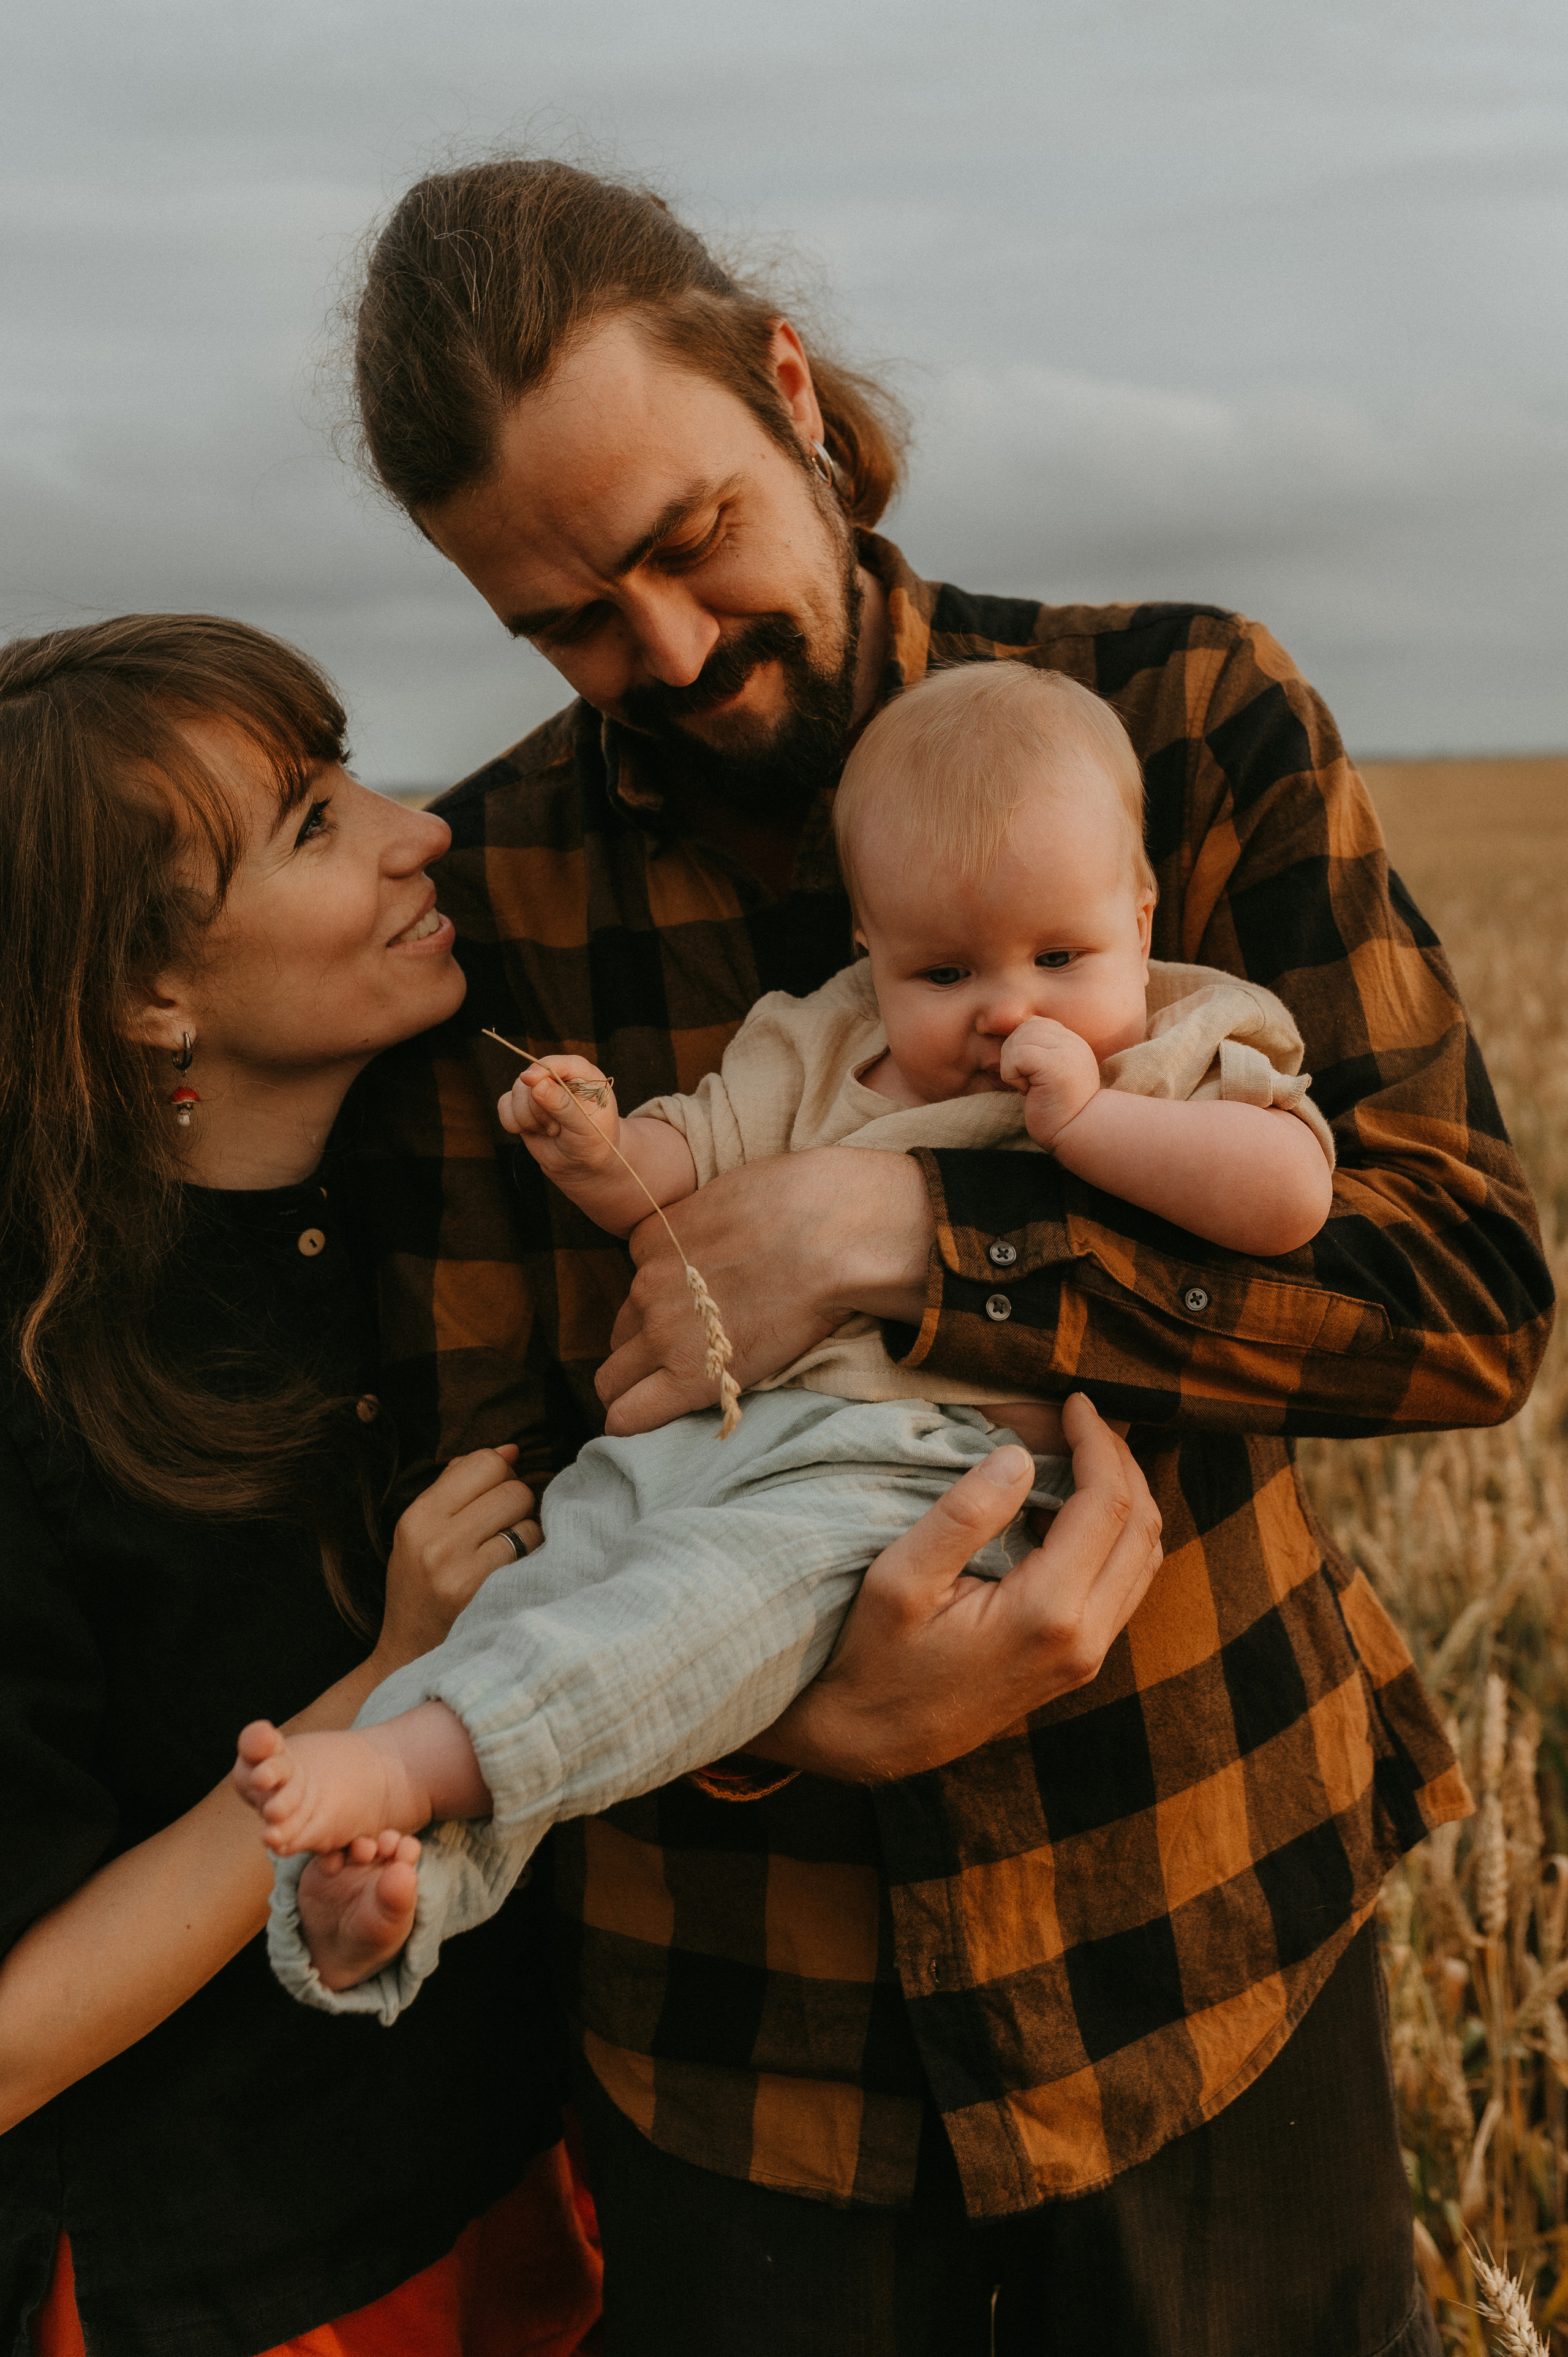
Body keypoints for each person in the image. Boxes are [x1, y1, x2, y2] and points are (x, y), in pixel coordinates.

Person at [277, 157, 1551, 2353]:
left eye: (686, 540)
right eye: (567, 618)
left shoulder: (1181, 717)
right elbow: (495, 1465)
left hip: (1200, 1919)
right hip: (742, 2032)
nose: (662, 652)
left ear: (786, 387)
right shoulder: (492, 897)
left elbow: (1461, 1293)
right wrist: (783, 1719)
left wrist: (916, 1229)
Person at [0, 616, 1158, 2357]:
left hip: (530, 2173)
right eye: (314, 822)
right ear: (147, 992)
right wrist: (393, 1677)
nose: (421, 830)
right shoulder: (35, 1383)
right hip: (235, 2272)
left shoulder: (440, 1182)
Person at [232, 661, 1340, 1948]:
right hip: (718, 1442)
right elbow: (680, 1167)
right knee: (561, 1584)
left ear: (1139, 914)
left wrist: (1093, 1121)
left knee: (685, 1614)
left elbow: (1287, 1198)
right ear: (868, 946)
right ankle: (401, 1888)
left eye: (1058, 954)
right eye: (941, 972)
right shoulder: (814, 1042)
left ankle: (405, 1772)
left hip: (914, 1471)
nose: (1005, 1009)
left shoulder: (1174, 1036)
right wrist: (595, 1146)